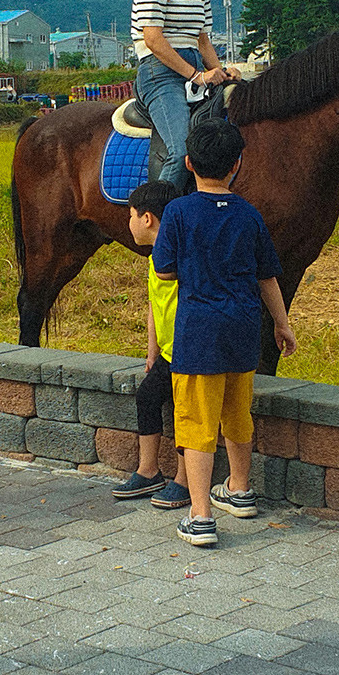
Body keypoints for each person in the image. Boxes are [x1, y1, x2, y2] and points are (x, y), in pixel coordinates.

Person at [151, 120, 296, 546]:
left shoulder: (177, 212)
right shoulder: (249, 214)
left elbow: (163, 269)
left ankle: (200, 517)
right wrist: (283, 325)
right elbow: (267, 277)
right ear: (237, 164)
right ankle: (240, 489)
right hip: (244, 329)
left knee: (196, 422)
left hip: (198, 332)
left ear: (189, 163)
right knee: (237, 413)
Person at [132, 0, 239, 190]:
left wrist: (222, 71)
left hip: (193, 62)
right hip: (159, 71)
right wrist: (196, 75)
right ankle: (158, 220)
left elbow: (202, 39)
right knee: (181, 150)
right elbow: (153, 39)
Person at [112, 181, 190, 508]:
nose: (128, 223)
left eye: (130, 215)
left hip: (188, 350)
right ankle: (148, 470)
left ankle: (185, 481)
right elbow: (153, 305)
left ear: (147, 219)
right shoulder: (154, 256)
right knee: (147, 396)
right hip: (168, 351)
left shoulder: (178, 254)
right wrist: (152, 351)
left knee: (187, 415)